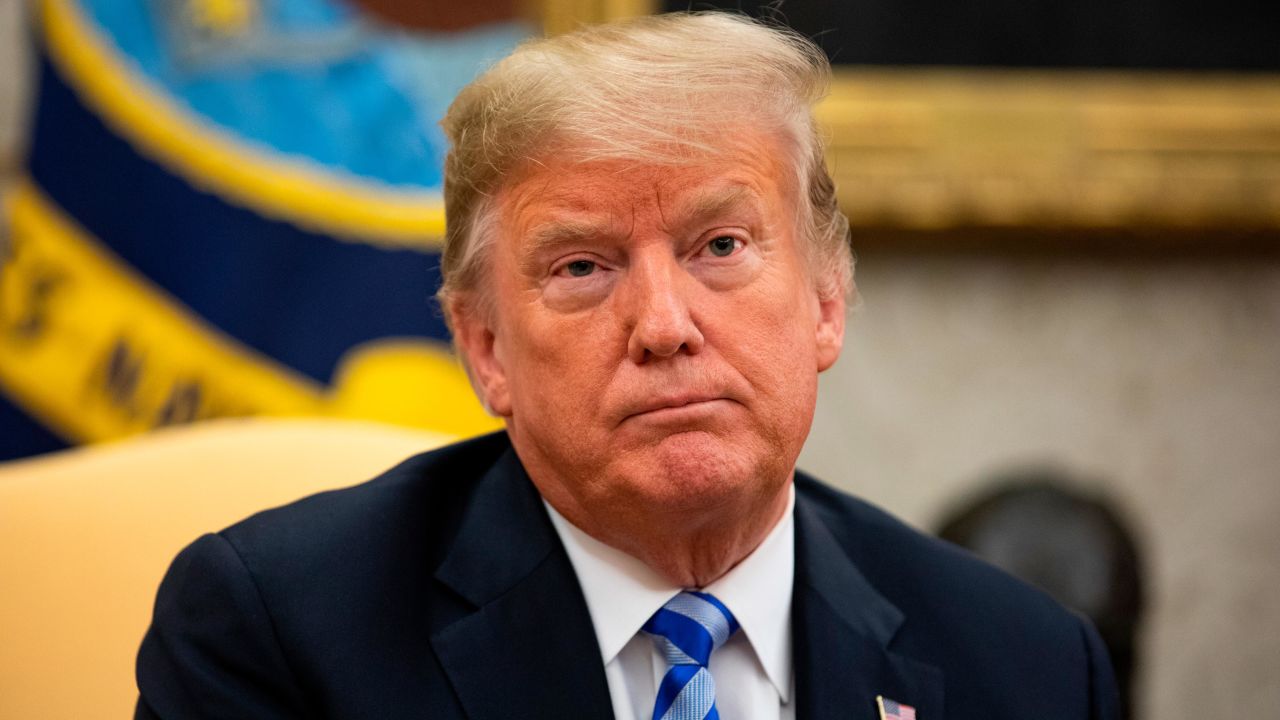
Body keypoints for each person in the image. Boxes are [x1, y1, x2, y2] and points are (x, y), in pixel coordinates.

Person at [135, 12, 1120, 720]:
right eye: (581, 266)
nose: (662, 325)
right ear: (485, 348)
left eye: (720, 247)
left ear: (825, 300)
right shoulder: (276, 636)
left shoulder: (1024, 666)